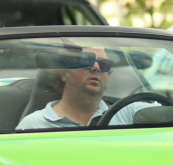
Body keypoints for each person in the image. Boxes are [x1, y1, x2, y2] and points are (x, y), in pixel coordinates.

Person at [16, 47, 153, 130]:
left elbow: (170, 119)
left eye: (104, 64)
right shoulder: (34, 125)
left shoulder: (130, 114)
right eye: (86, 61)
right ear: (64, 73)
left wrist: (172, 109)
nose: (96, 68)